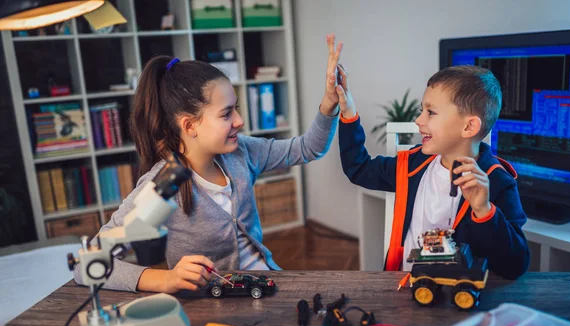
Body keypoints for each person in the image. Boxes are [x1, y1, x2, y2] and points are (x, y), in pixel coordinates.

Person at [74, 34, 345, 293]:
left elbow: (309, 148)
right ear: (190, 125)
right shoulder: (162, 185)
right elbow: (87, 265)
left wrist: (329, 102)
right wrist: (164, 279)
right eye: (226, 113)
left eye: (236, 108)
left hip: (264, 284)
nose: (239, 121)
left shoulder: (243, 152)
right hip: (209, 304)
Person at [336, 64, 529, 279]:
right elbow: (359, 168)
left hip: (455, 298)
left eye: (431, 112)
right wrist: (348, 112)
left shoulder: (497, 182)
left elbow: (515, 266)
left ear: (468, 127)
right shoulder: (411, 165)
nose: (418, 120)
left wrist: (484, 211)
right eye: (421, 111)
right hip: (403, 286)